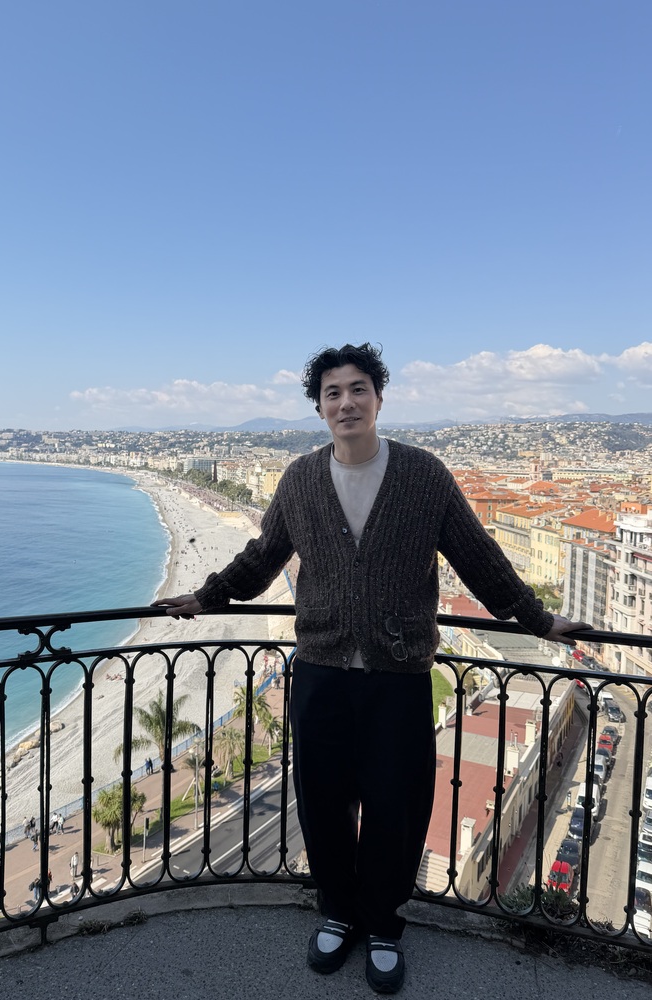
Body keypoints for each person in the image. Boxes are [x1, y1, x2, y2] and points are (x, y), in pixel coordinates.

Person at [154, 342, 588, 994]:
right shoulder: (300, 480)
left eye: (358, 389)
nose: (346, 402)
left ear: (379, 399)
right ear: (320, 409)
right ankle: (337, 913)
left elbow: (477, 556)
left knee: (396, 807)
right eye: (333, 393)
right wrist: (206, 597)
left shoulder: (423, 476)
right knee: (323, 803)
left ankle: (383, 924)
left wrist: (537, 619)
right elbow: (262, 556)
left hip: (400, 673)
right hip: (321, 671)